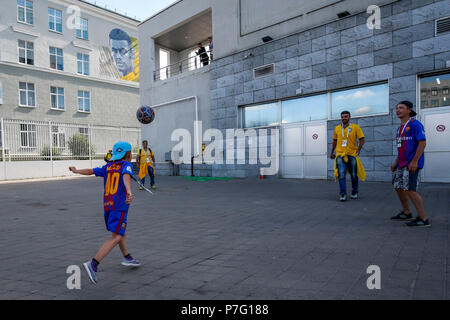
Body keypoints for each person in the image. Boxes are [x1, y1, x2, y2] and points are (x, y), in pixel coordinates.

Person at [69, 141, 141, 284]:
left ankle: (127, 257)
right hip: (119, 206)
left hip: (108, 206)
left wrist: (76, 171)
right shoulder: (127, 165)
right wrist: (129, 191)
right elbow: (126, 176)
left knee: (119, 232)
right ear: (128, 154)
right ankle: (93, 263)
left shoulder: (108, 166)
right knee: (117, 235)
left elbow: (91, 171)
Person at [390, 101, 430, 227]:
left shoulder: (415, 124)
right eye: (396, 108)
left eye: (401, 108)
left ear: (409, 110)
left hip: (412, 164)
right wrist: (396, 162)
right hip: (402, 164)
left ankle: (423, 219)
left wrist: (414, 161)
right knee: (398, 186)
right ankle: (407, 212)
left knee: (411, 190)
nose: (398, 110)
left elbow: (422, 143)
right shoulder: (400, 128)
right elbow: (401, 147)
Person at [330, 111, 366, 201]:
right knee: (341, 174)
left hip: (352, 154)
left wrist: (358, 150)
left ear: (349, 117)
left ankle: (354, 192)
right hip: (340, 155)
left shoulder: (355, 127)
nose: (344, 118)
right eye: (342, 117)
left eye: (346, 116)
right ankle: (343, 194)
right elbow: (334, 141)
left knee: (354, 174)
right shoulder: (337, 128)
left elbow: (362, 139)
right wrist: (331, 152)